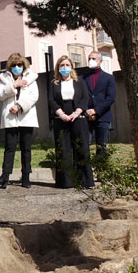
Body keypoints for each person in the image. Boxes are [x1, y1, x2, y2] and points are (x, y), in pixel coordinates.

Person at [47, 55, 94, 189]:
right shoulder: (53, 83)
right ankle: (66, 182)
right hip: (61, 119)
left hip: (78, 118)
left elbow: (85, 98)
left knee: (82, 148)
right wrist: (61, 114)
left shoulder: (80, 82)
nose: (65, 68)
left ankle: (86, 181)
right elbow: (51, 101)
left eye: (67, 65)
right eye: (62, 65)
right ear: (58, 68)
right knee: (63, 150)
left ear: (72, 67)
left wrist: (77, 112)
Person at [0, 53, 39, 189]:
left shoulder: (31, 77)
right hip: (10, 119)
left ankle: (26, 177)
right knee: (9, 148)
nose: (17, 67)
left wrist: (19, 106)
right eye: (14, 65)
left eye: (19, 65)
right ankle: (5, 177)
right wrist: (13, 85)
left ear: (24, 65)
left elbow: (34, 96)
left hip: (26, 117)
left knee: (26, 148)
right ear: (9, 66)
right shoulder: (4, 78)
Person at [84, 50, 116, 158]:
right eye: (89, 59)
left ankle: (101, 166)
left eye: (94, 59)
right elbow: (80, 97)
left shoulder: (109, 78)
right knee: (84, 143)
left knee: (101, 144)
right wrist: (87, 111)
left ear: (100, 61)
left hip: (103, 116)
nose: (91, 61)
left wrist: (96, 111)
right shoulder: (82, 78)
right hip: (86, 116)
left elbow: (110, 98)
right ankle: (86, 168)